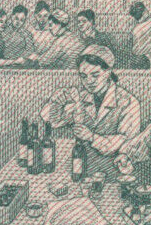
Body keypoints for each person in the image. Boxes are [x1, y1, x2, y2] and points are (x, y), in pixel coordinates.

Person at [39, 45, 143, 177]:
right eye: (83, 76)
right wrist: (56, 101)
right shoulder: (80, 98)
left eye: (95, 75)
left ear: (108, 72)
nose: (89, 81)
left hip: (115, 172)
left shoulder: (128, 102)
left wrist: (91, 137)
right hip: (82, 170)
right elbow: (52, 121)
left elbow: (126, 141)